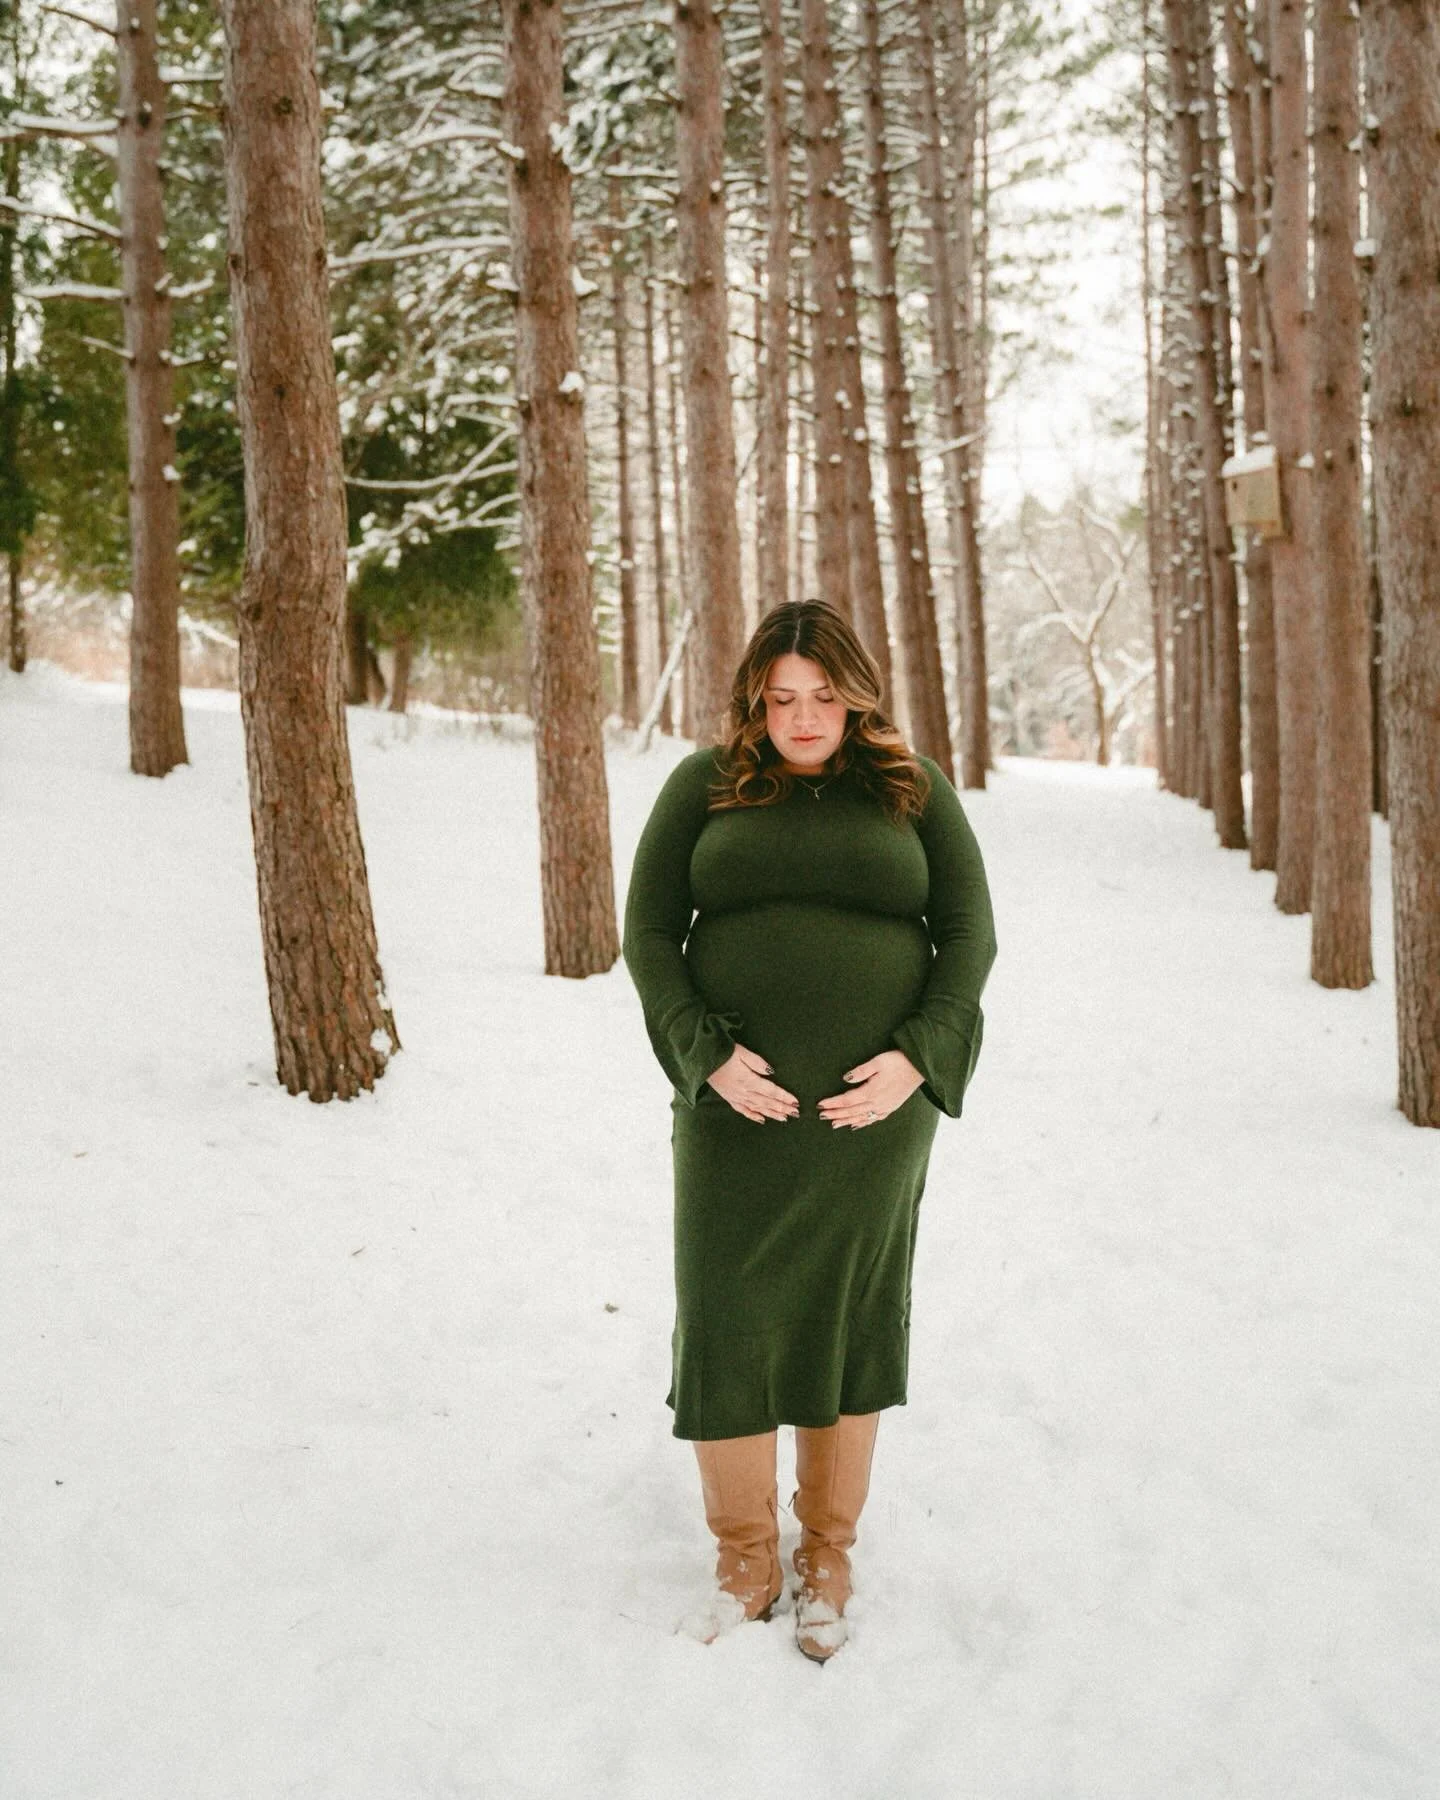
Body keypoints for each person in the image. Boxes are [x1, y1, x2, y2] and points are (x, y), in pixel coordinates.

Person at [621, 599, 997, 1662]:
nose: (801, 716)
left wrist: (920, 1058)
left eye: (823, 697)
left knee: (848, 1310)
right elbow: (649, 933)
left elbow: (969, 934)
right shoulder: (705, 786)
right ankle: (745, 1552)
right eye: (781, 698)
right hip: (735, 1106)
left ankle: (827, 1550)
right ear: (755, 698)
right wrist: (704, 1055)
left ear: (857, 695)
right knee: (726, 1303)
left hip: (870, 1114)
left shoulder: (912, 790)